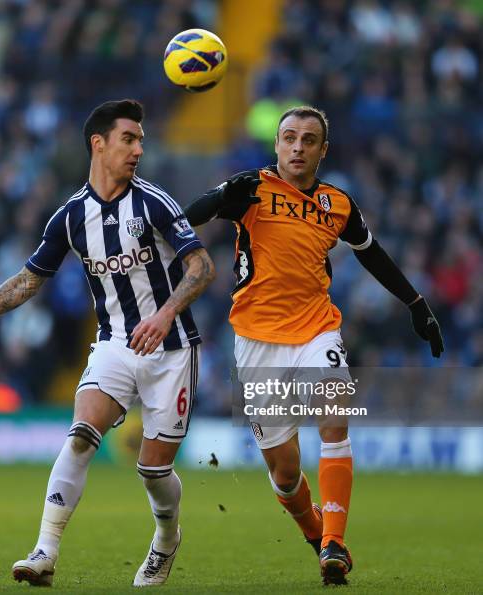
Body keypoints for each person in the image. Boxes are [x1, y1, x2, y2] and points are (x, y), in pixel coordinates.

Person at [0, 99, 215, 588]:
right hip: (115, 345)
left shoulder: (154, 204)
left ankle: (166, 539)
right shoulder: (70, 216)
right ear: (98, 144)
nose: (139, 149)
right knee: (81, 435)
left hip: (172, 348)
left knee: (151, 471)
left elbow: (202, 267)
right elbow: (27, 281)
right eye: (129, 139)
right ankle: (45, 551)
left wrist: (165, 316)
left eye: (141, 139)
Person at [184, 106, 443, 585]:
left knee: (334, 415)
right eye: (289, 138)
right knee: (285, 474)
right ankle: (316, 532)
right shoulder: (252, 189)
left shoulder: (337, 204)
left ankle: (335, 544)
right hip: (257, 341)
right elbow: (187, 220)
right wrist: (221, 194)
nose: (298, 147)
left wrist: (415, 302)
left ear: (324, 150)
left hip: (316, 329)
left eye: (308, 140)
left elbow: (374, 256)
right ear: (277, 145)